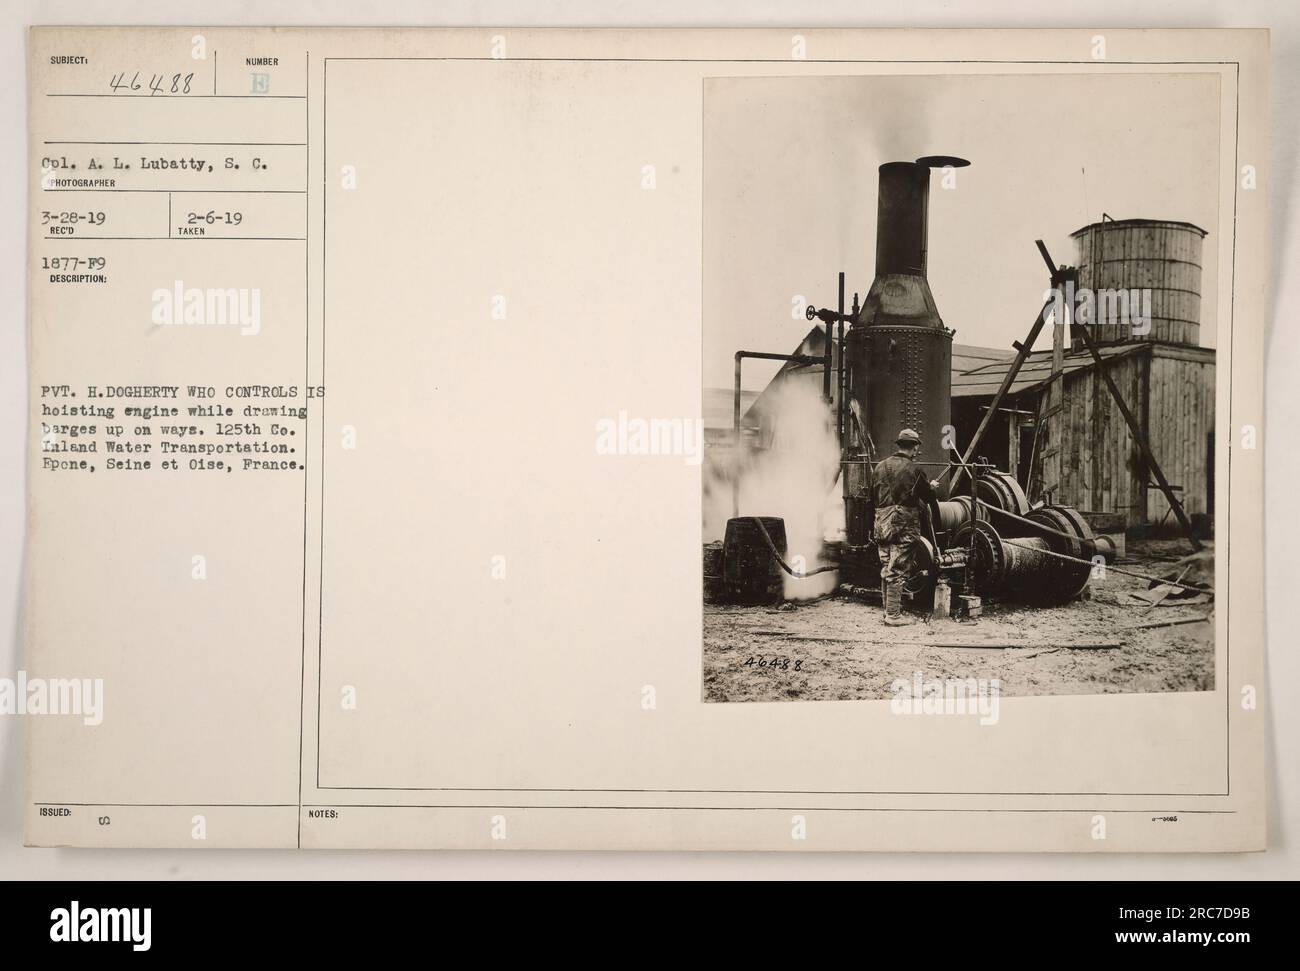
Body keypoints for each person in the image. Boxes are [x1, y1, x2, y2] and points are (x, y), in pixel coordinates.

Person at [872, 429, 940, 625]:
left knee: (887, 565)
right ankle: (893, 615)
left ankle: (887, 611)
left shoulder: (879, 467)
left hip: (881, 521)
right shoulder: (915, 470)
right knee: (898, 567)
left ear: (899, 445)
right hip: (904, 524)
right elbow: (927, 497)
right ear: (915, 447)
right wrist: (932, 488)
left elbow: (872, 498)